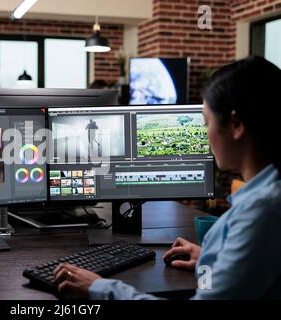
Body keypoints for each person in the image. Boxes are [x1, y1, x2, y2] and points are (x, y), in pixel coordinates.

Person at [53, 56, 281, 300]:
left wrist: (101, 288)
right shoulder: (268, 197)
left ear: (236, 125)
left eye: (206, 123)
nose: (205, 136)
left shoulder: (260, 212)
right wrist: (211, 260)